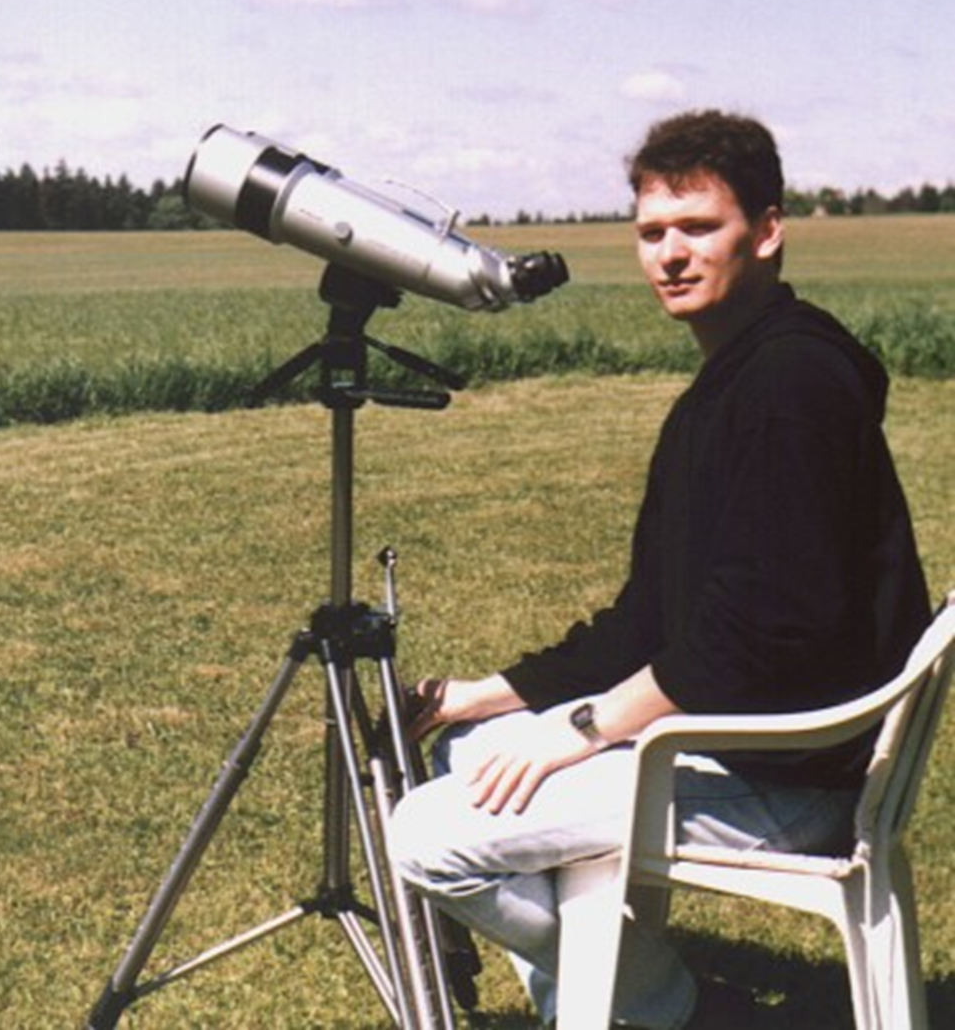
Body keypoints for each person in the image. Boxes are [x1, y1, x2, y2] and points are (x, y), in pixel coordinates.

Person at [386, 109, 930, 1030]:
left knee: (426, 835)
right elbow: (648, 619)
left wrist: (581, 730)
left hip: (788, 769)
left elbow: (762, 629)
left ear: (766, 231)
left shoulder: (790, 386)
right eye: (651, 233)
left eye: (698, 227)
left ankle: (677, 1012)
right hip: (735, 731)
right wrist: (481, 694)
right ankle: (612, 1004)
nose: (670, 255)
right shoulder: (735, 380)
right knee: (466, 748)